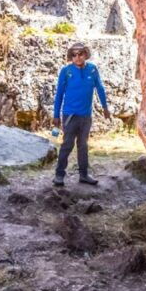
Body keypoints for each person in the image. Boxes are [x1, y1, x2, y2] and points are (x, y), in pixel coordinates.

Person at [52, 42, 111, 186]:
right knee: (67, 144)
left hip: (86, 115)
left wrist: (105, 107)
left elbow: (100, 88)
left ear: (86, 54)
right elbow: (59, 94)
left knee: (83, 145)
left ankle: (84, 175)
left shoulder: (92, 69)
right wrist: (56, 115)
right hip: (70, 115)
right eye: (74, 55)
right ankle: (59, 175)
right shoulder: (66, 71)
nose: (77, 57)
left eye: (80, 54)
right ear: (70, 56)